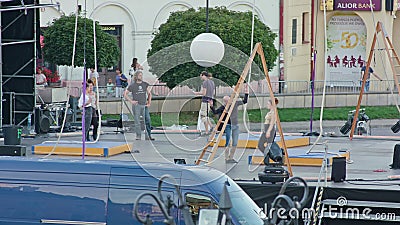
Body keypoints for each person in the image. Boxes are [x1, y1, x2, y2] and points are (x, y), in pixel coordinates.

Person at [211, 83, 249, 163]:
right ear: (225, 102)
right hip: (228, 125)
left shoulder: (235, 103)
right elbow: (215, 112)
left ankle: (231, 157)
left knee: (235, 142)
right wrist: (211, 106)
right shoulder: (223, 107)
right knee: (228, 142)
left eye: (229, 100)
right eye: (226, 101)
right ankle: (226, 158)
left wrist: (246, 92)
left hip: (235, 125)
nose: (229, 102)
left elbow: (245, 101)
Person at [124, 70, 154, 141]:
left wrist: (149, 102)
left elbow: (149, 94)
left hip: (144, 104)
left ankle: (148, 135)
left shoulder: (145, 84)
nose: (141, 77)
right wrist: (131, 101)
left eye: (141, 75)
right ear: (136, 76)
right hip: (137, 105)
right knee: (137, 121)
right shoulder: (132, 85)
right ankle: (138, 135)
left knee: (147, 119)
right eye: (140, 75)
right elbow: (125, 94)